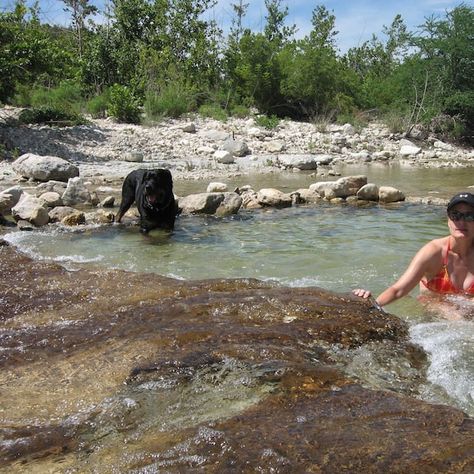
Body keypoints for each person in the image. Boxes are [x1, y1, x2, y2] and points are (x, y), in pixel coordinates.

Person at [353, 192, 474, 308]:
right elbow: (398, 290)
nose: (462, 222)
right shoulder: (434, 252)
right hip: (434, 313)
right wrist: (372, 305)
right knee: (453, 313)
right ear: (448, 220)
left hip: (466, 316)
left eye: (469, 216)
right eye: (455, 215)